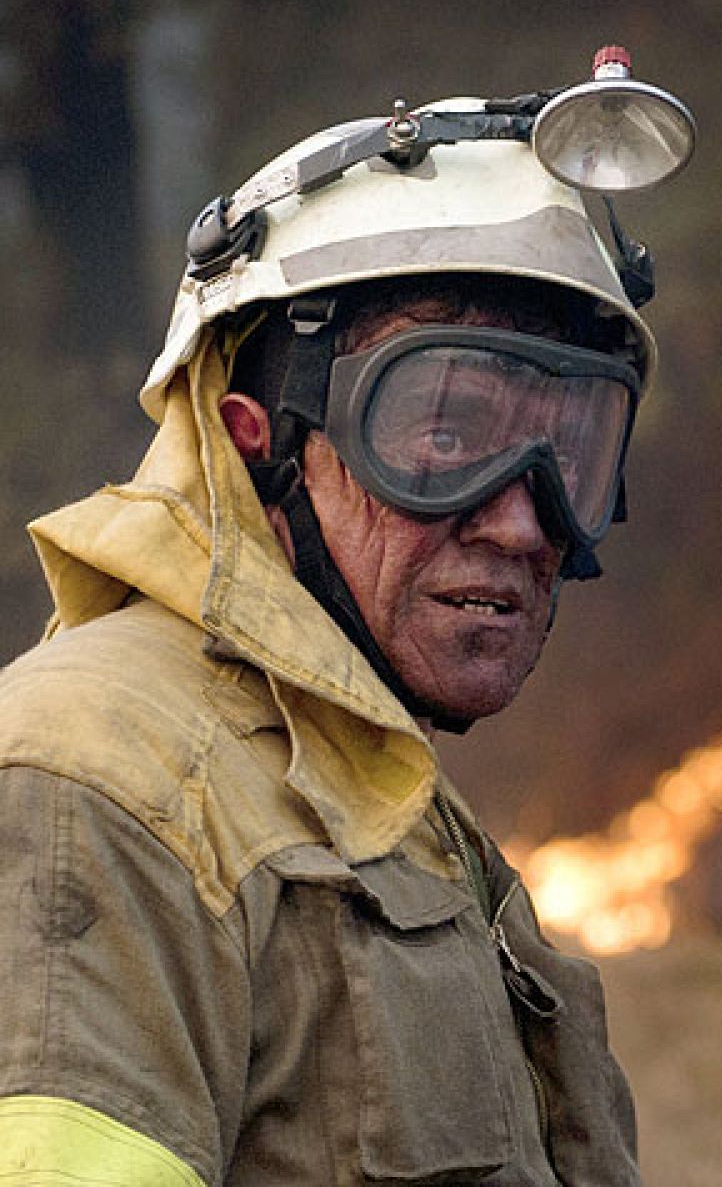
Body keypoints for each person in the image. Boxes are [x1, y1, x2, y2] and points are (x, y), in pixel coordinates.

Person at [0, 76, 681, 1184]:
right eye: (445, 431)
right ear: (256, 440)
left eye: (567, 448)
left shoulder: (362, 798)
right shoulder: (101, 780)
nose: (521, 518)